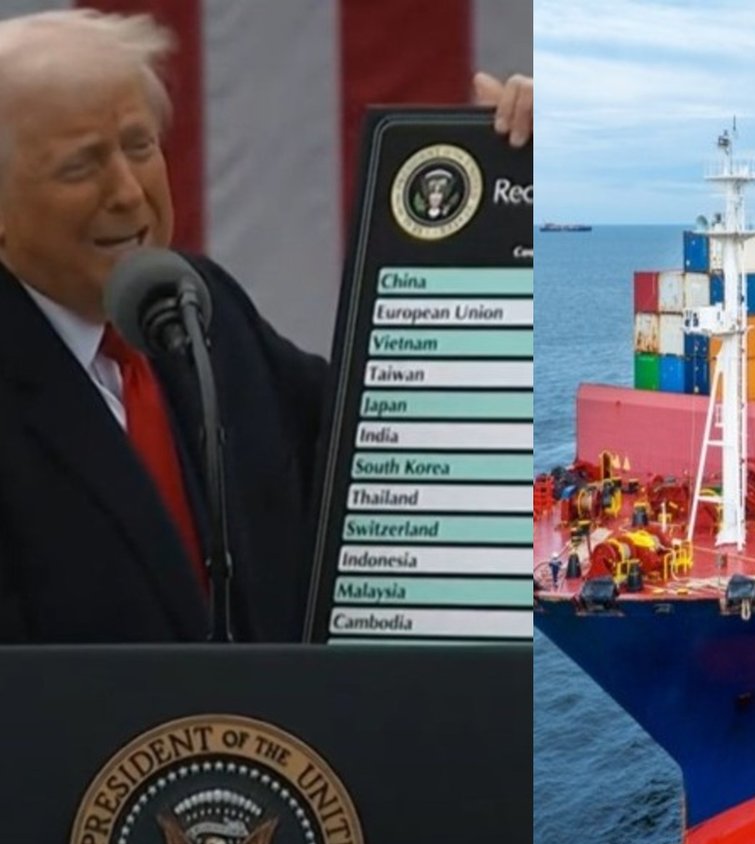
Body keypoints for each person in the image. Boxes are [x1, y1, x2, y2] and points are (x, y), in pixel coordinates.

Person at [0, 10, 531, 642]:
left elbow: (394, 451)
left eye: (139, 147)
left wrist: (516, 199)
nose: (127, 192)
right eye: (80, 167)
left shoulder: (199, 308)